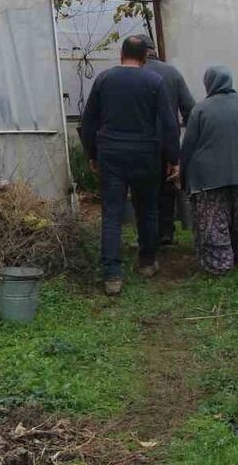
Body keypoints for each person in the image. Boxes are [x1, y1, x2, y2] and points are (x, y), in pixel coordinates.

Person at [78, 35, 180, 295]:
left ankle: (112, 275)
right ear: (145, 57)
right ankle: (147, 262)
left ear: (120, 54)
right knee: (147, 209)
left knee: (112, 213)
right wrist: (173, 158)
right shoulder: (154, 81)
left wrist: (92, 153)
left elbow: (89, 122)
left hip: (111, 154)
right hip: (146, 154)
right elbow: (169, 124)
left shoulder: (104, 80)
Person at [180, 65, 238, 275]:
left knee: (213, 221)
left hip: (207, 178)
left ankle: (219, 264)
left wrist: (184, 177)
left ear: (208, 83)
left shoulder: (200, 109)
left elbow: (188, 146)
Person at [131, 35, 195, 247]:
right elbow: (190, 109)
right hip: (168, 141)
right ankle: (166, 232)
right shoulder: (172, 73)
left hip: (139, 143)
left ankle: (146, 237)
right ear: (154, 49)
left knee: (142, 191)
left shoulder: (132, 73)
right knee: (167, 188)